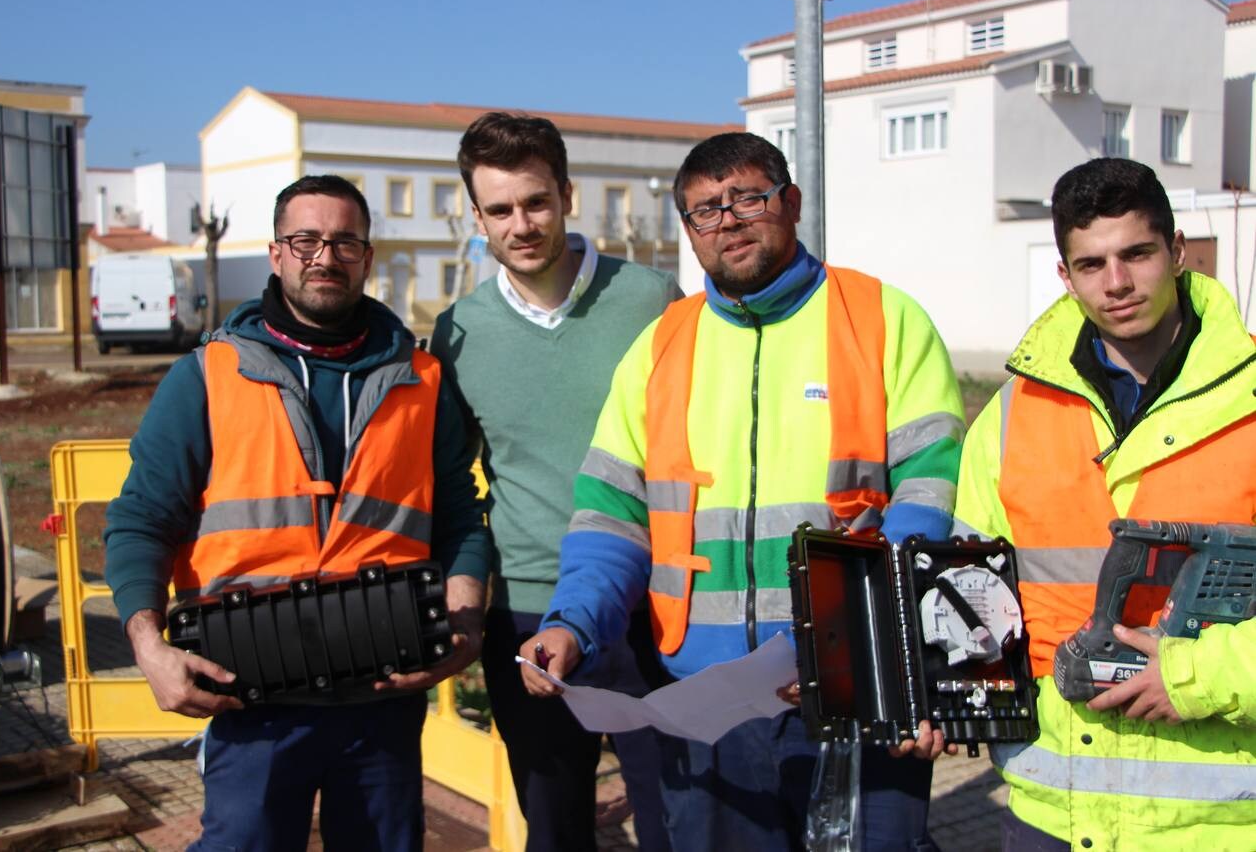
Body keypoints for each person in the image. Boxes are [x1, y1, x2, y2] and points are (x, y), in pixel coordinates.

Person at [520, 132, 965, 851]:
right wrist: (572, 621)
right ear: (688, 231)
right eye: (704, 211)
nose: (727, 220)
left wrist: (855, 648)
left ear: (790, 203)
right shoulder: (662, 347)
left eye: (747, 199)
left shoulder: (885, 319)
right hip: (708, 709)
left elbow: (929, 505)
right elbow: (612, 518)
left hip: (855, 696)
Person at [104, 174, 491, 852]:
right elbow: (141, 519)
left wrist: (463, 622)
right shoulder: (206, 376)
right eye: (306, 239)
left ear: (366, 257)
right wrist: (147, 645)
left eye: (344, 241)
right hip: (252, 699)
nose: (325, 255)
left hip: (384, 696)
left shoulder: (422, 380)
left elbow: (460, 518)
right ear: (277, 253)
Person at [953, 157, 1255, 851]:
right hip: (1049, 818)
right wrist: (948, 698)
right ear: (1065, 275)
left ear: (1177, 252)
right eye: (1090, 264)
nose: (1116, 283)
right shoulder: (1009, 416)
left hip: (1222, 826)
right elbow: (967, 593)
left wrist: (1198, 678)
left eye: (1137, 254)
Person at [430, 111, 681, 852]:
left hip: (651, 606)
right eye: (500, 210)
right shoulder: (459, 331)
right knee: (556, 828)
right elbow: (453, 486)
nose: (521, 223)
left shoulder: (651, 301)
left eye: (535, 202)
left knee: (677, 822)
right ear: (476, 217)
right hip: (527, 615)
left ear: (567, 195)